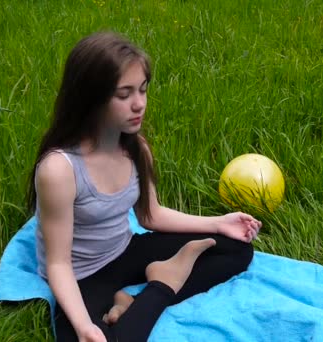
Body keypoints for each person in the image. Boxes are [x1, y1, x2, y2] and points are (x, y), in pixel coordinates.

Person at [26, 31, 262, 342]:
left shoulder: (136, 148)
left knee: (236, 250)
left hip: (124, 251)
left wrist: (219, 223)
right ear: (89, 98)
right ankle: (161, 286)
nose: (139, 104)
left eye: (143, 90)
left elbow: (150, 215)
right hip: (82, 276)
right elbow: (58, 264)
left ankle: (147, 293)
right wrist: (85, 327)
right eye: (123, 95)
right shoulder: (59, 169)